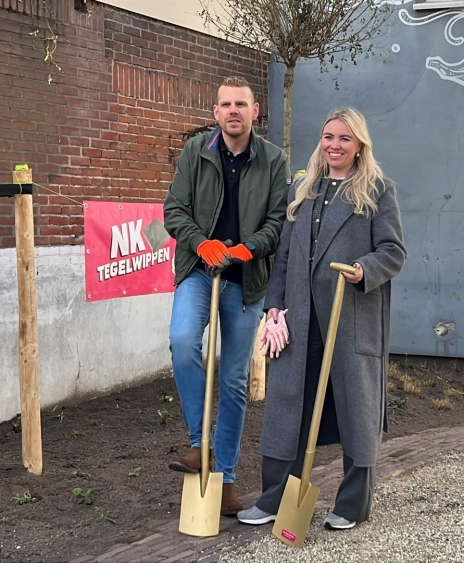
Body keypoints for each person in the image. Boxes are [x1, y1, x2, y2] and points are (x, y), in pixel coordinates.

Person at [237, 108, 406, 530]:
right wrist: (274, 305)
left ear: (359, 145)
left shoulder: (377, 191)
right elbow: (286, 257)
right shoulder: (304, 188)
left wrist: (363, 269)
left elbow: (393, 252)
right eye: (328, 137)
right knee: (287, 405)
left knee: (356, 408)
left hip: (348, 319)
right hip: (300, 316)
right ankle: (275, 499)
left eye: (344, 139)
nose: (334, 145)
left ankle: (352, 505)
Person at [163, 76, 291, 516]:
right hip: (199, 270)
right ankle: (203, 447)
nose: (233, 111)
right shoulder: (195, 152)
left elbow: (277, 223)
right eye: (225, 104)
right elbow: (173, 209)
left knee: (234, 380)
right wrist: (201, 242)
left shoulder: (274, 160)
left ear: (255, 112)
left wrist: (246, 248)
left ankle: (228, 480)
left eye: (242, 104)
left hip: (247, 279)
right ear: (215, 113)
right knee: (182, 342)